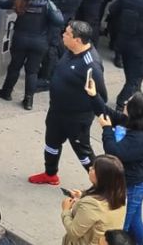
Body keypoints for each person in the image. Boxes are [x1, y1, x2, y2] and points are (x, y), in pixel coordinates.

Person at [29, 21, 106, 186]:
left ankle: (101, 185)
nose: (63, 35)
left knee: (83, 152)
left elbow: (101, 96)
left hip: (76, 119)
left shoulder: (91, 65)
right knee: (51, 143)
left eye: (67, 34)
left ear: (77, 40)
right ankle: (50, 174)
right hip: (57, 111)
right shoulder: (70, 51)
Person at [92, 91, 143, 245]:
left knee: (121, 225)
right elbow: (107, 113)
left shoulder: (142, 139)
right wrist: (93, 95)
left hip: (133, 186)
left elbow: (114, 152)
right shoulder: (135, 123)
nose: (124, 103)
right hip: (134, 184)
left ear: (135, 111)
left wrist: (107, 129)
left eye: (128, 103)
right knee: (135, 219)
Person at [0, 0, 64, 110]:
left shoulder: (19, 0)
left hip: (20, 39)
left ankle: (6, 92)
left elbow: (1, 4)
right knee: (32, 72)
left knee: (14, 67)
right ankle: (28, 100)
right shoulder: (47, 4)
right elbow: (59, 20)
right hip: (39, 42)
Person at [60, 154, 127, 245]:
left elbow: (74, 232)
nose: (90, 168)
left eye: (94, 168)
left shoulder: (92, 204)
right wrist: (82, 196)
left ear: (102, 177)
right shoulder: (118, 196)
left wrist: (66, 210)